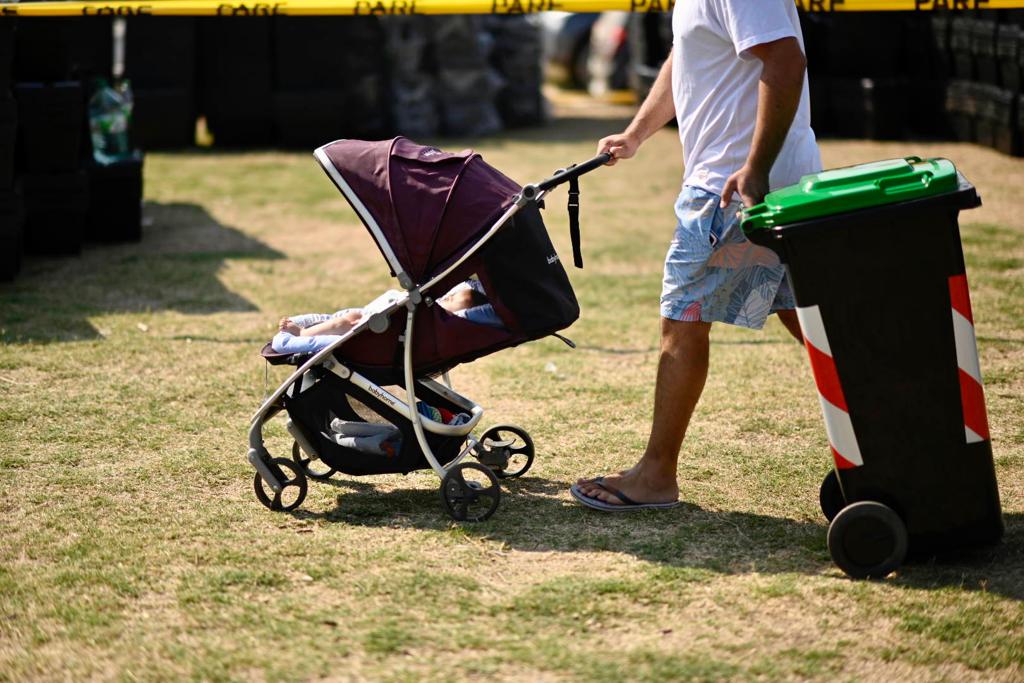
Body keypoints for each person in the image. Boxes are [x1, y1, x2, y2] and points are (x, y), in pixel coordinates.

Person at [570, 0, 820, 511]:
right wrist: (638, 132)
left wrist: (755, 167)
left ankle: (656, 474)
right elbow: (687, 52)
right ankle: (891, 432)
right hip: (760, 183)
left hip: (731, 190)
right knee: (813, 321)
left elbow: (786, 61)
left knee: (682, 324)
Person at [272, 278, 503, 355]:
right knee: (349, 317)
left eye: (453, 301)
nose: (449, 299)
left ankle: (302, 334)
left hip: (398, 330)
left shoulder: (459, 319)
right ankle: (311, 329)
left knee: (349, 321)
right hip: (397, 315)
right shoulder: (466, 288)